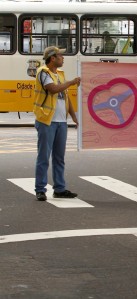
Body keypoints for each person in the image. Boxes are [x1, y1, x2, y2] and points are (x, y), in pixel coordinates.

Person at [33, 46, 81, 201]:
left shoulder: (59, 74)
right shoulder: (43, 72)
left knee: (59, 158)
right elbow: (53, 89)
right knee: (44, 157)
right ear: (52, 58)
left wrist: (74, 116)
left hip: (61, 122)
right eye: (61, 55)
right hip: (47, 120)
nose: (63, 58)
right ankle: (40, 189)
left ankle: (59, 188)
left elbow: (65, 97)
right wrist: (72, 82)